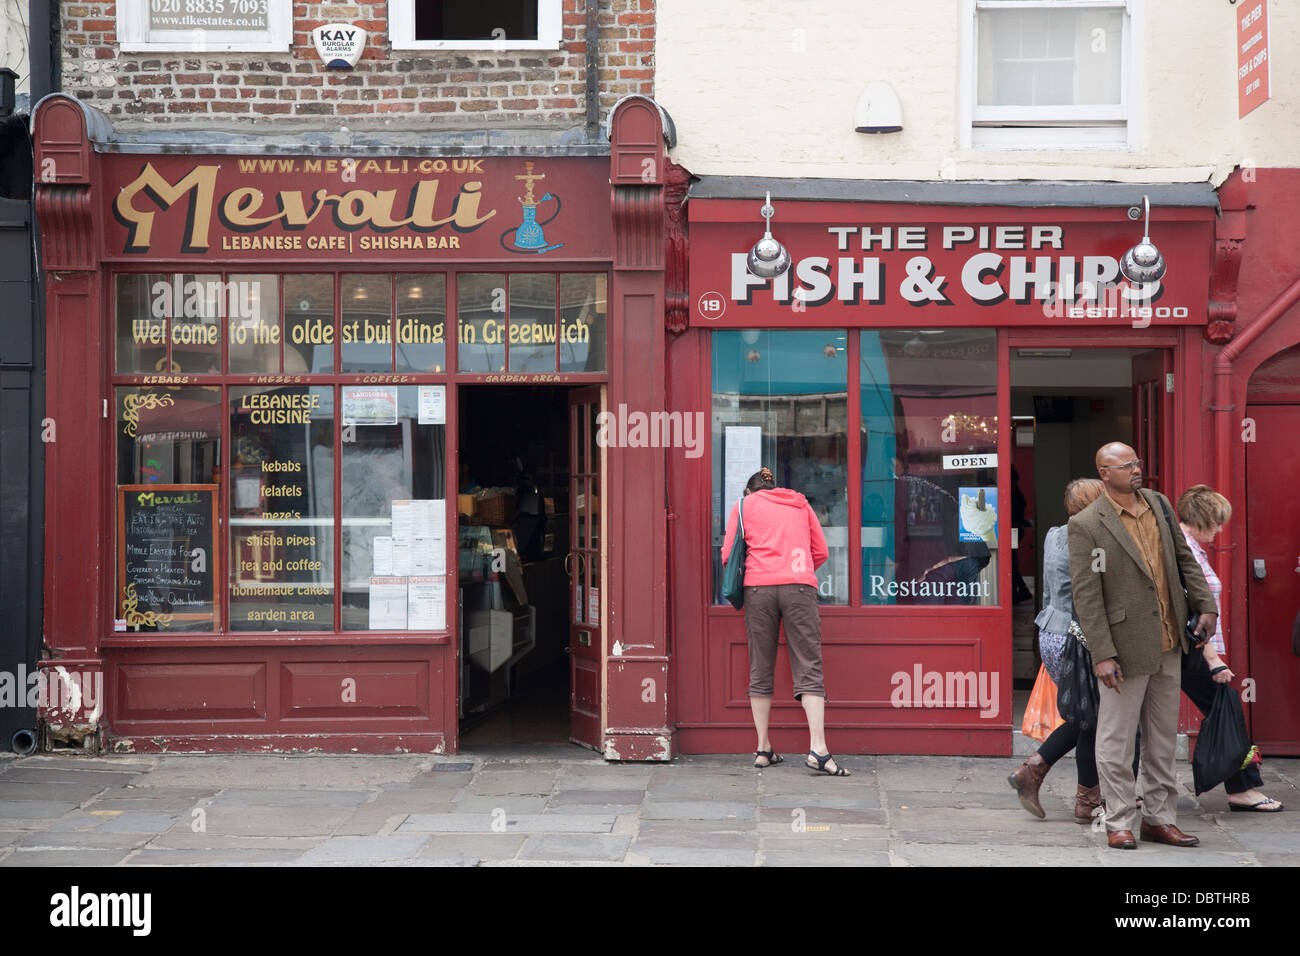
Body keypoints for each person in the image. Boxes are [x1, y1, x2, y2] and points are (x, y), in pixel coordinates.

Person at [1067, 442, 1218, 850]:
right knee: (1115, 741)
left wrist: (1206, 604)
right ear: (1104, 472)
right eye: (1126, 465)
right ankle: (1118, 820)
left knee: (1162, 738)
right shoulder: (1086, 524)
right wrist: (1102, 652)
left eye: (1137, 462)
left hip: (1169, 641)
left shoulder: (1158, 504)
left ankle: (1160, 818)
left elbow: (1184, 557)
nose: (1137, 469)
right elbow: (1087, 595)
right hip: (1123, 647)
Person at [721, 467, 848, 775]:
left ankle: (763, 747)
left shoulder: (743, 506)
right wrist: (795, 567)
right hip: (799, 585)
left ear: (751, 492)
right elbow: (819, 551)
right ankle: (818, 749)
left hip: (758, 589)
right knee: (808, 664)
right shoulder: (800, 504)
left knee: (760, 666)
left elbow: (728, 555)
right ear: (775, 488)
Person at [1175, 485, 1282, 812]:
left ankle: (1100, 790)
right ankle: (1242, 788)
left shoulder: (1190, 546)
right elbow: (1191, 607)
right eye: (1216, 521)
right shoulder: (1187, 550)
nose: (1220, 529)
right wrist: (1213, 659)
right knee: (1228, 707)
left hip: (1190, 650)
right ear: (1202, 518)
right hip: (1193, 651)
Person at [1009, 477, 1105, 821]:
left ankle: (1059, 785)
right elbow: (1091, 594)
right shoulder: (1090, 538)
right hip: (1077, 636)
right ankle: (1073, 792)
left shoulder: (1053, 534)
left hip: (1050, 631)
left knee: (1084, 718)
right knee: (1088, 719)